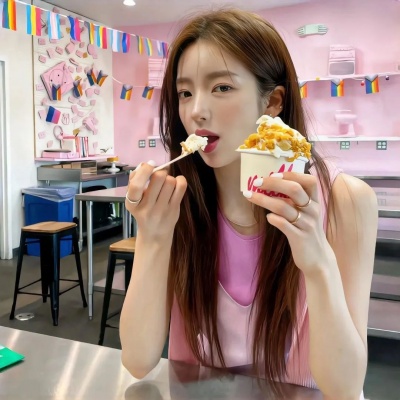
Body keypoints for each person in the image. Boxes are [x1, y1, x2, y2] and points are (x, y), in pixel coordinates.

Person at [120, 8, 377, 400]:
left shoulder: (346, 202)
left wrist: (318, 265)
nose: (195, 110)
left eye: (221, 87)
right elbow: (138, 361)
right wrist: (153, 239)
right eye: (185, 93)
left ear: (272, 102)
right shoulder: (180, 200)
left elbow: (344, 387)